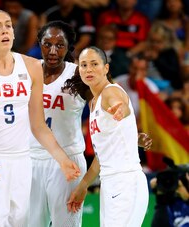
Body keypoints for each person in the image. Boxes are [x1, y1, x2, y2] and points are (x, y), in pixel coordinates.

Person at [0, 9, 80, 227]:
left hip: (23, 161)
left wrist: (62, 159)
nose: (5, 30)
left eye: (8, 25)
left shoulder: (32, 67)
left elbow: (39, 125)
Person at [66, 46, 149, 226]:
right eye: (84, 65)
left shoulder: (111, 92)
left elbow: (120, 104)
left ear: (106, 68)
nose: (88, 69)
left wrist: (121, 109)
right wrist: (84, 185)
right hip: (109, 182)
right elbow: (101, 154)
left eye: (94, 64)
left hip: (126, 181)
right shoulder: (93, 103)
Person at [28, 20, 87, 227]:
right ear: (39, 44)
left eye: (60, 45)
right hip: (31, 159)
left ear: (68, 47)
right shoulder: (26, 72)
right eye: (47, 44)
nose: (53, 50)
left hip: (67, 161)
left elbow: (108, 96)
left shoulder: (78, 74)